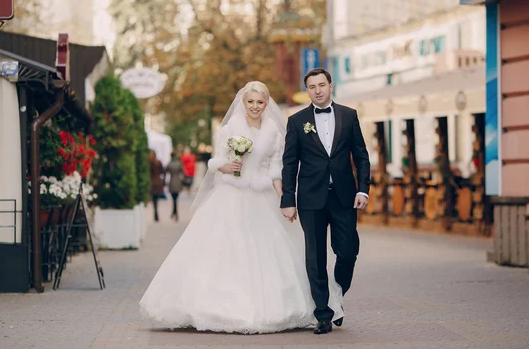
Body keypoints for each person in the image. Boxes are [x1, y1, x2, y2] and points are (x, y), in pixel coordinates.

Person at [139, 81, 343, 334]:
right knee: (222, 248)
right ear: (243, 103)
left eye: (260, 102)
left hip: (262, 195)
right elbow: (218, 160)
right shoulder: (229, 129)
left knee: (271, 250)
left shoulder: (275, 134)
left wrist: (285, 200)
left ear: (266, 104)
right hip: (231, 194)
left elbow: (276, 170)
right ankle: (215, 308)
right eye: (250, 102)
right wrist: (226, 167)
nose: (255, 107)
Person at [280, 68, 371, 335]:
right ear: (307, 90)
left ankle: (337, 296)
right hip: (310, 198)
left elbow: (362, 157)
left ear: (331, 85)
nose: (317, 90)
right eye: (312, 86)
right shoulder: (297, 121)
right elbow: (289, 164)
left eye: (322, 85)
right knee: (316, 257)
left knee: (348, 251)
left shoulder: (348, 115)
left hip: (344, 196)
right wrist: (288, 199)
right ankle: (323, 313)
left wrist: (363, 190)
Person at [165, 151, 184, 222]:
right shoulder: (179, 163)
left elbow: (165, 172)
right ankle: (175, 213)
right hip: (178, 182)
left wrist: (165, 181)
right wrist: (182, 180)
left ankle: (174, 212)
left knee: (173, 199)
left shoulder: (169, 164)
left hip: (172, 182)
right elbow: (183, 172)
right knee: (176, 199)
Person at [148, 150, 165, 222]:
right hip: (158, 182)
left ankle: (155, 213)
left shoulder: (149, 163)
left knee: (153, 199)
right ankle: (156, 213)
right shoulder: (158, 162)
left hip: (152, 182)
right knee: (156, 199)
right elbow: (162, 172)